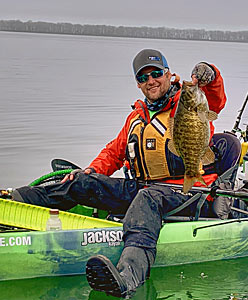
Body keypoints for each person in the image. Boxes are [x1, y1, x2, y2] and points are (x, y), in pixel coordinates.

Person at [8, 49, 227, 298]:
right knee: (80, 181)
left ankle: (128, 277)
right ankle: (13, 201)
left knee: (148, 199)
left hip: (188, 191)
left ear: (169, 74)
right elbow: (113, 152)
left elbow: (215, 98)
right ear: (138, 84)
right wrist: (91, 170)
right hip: (144, 188)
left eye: (156, 74)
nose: (151, 81)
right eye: (144, 78)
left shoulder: (188, 104)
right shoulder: (137, 116)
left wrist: (209, 73)